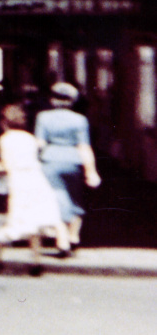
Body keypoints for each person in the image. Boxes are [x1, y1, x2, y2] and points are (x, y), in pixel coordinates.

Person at [0, 103, 70, 271]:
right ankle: (36, 261)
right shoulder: (29, 138)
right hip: (36, 180)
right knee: (33, 221)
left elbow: (8, 164)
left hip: (19, 182)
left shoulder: (5, 139)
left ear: (4, 122)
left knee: (14, 218)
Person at [35, 82, 100, 251]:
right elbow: (84, 147)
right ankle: (73, 235)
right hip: (73, 161)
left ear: (52, 100)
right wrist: (91, 171)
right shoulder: (80, 120)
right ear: (72, 101)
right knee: (75, 198)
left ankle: (62, 238)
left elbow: (40, 143)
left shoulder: (43, 117)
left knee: (56, 198)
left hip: (50, 160)